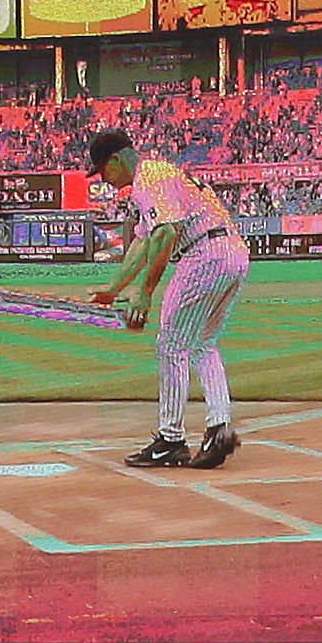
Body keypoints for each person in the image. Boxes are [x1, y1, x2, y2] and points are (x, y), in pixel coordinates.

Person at [89, 128, 249, 469]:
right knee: (203, 344)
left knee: (172, 345)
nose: (104, 179)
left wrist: (144, 294)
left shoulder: (151, 178)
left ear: (116, 160)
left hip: (204, 254)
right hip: (230, 252)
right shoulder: (157, 177)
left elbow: (166, 234)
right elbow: (143, 244)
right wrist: (114, 290)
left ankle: (171, 440)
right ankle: (219, 427)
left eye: (102, 170)